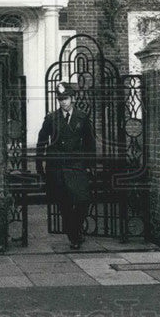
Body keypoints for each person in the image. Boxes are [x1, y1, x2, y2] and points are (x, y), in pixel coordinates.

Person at [35, 82, 97, 250]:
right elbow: (41, 142)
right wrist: (39, 165)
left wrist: (91, 165)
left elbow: (90, 143)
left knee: (84, 201)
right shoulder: (51, 118)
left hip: (76, 166)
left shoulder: (82, 117)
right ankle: (74, 237)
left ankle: (74, 229)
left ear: (73, 99)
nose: (63, 102)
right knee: (64, 204)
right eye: (60, 99)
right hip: (57, 167)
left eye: (66, 98)